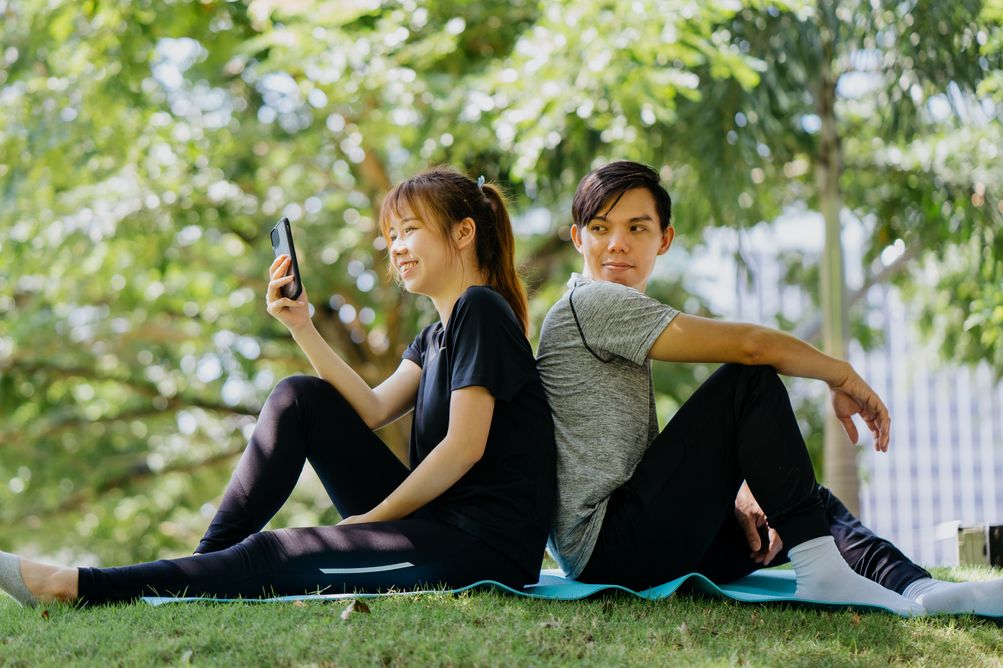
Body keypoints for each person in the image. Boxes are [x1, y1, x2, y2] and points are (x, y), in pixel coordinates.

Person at [0, 168, 555, 607]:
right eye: (391, 236)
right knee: (298, 397)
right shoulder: (436, 333)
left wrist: (373, 519)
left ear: (464, 232)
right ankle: (202, 565)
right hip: (437, 524)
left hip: (482, 548)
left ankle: (74, 585)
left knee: (277, 552)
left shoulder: (482, 311)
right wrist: (301, 324)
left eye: (410, 229)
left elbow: (465, 447)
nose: (397, 248)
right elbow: (373, 408)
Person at [536, 160, 1003, 616]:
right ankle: (824, 574)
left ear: (664, 240)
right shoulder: (590, 302)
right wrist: (840, 374)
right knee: (748, 380)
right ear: (578, 238)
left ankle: (920, 587)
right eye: (600, 228)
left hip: (627, 544)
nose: (617, 244)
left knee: (802, 501)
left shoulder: (613, 312)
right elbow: (752, 346)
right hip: (608, 548)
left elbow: (633, 461)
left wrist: (733, 489)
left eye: (637, 228)